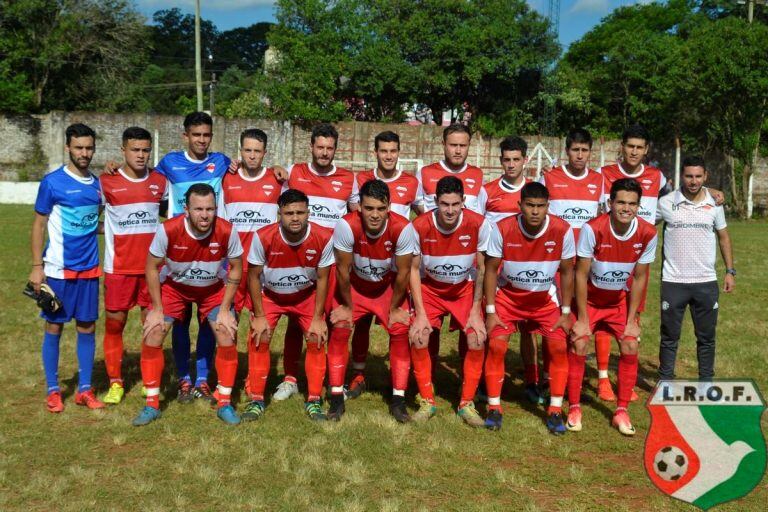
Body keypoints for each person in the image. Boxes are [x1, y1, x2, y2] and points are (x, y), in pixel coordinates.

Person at [133, 183, 243, 426]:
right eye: (198, 209)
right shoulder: (168, 229)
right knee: (154, 332)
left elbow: (236, 268)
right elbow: (151, 267)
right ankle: (151, 404)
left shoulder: (227, 230)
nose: (205, 215)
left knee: (226, 333)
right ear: (186, 209)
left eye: (210, 209)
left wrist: (225, 310)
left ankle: (224, 402)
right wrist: (157, 309)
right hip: (175, 288)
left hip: (213, 289)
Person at [483, 182, 575, 433]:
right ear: (519, 205)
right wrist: (490, 312)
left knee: (557, 346)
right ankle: (494, 407)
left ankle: (555, 410)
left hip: (545, 301)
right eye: (530, 205)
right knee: (496, 344)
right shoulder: (502, 228)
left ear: (548, 207)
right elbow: (490, 270)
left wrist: (566, 312)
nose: (535, 211)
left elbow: (567, 273)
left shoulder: (562, 230)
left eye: (540, 206)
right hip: (508, 298)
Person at [276, 123, 359, 401]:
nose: (324, 153)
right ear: (311, 146)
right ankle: (289, 378)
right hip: (299, 259)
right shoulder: (295, 172)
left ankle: (333, 380)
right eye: (320, 147)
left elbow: (356, 215)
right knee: (294, 321)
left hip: (333, 262)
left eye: (330, 148)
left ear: (335, 149)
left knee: (335, 323)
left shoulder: (348, 178)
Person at [568, 178, 657, 436]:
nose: (626, 208)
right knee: (581, 342)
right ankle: (574, 407)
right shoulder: (592, 228)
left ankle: (621, 411)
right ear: (610, 203)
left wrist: (632, 318)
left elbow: (640, 277)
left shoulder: (648, 232)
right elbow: (580, 275)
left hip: (618, 302)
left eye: (632, 203)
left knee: (630, 342)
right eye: (621, 202)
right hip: (590, 302)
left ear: (639, 206)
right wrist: (583, 318)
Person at [154, 112, 232, 404]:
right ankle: (184, 379)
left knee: (210, 321)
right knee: (181, 320)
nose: (201, 139)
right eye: (196, 134)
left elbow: (251, 168)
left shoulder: (223, 162)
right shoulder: (169, 163)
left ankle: (202, 378)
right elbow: (146, 180)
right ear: (185, 135)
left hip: (212, 252)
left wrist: (276, 169)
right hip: (179, 254)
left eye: (206, 134)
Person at [327, 179, 417, 422]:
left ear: (389, 207)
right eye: (368, 208)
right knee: (340, 327)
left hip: (386, 289)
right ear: (359, 207)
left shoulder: (403, 227)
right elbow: (343, 271)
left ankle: (398, 400)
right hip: (354, 287)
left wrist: (396, 307)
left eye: (380, 208)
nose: (374, 215)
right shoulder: (347, 225)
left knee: (400, 328)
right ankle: (336, 398)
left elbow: (404, 273)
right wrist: (346, 306)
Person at [29, 123, 104, 412]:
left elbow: (91, 224)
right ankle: (53, 389)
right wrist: (38, 266)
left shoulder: (97, 185)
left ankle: (84, 389)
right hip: (58, 270)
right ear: (68, 148)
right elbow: (38, 225)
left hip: (89, 270)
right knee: (55, 326)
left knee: (87, 326)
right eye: (79, 147)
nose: (84, 153)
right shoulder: (52, 182)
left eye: (89, 147)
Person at [409, 176, 491, 426]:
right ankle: (427, 400)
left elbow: (483, 268)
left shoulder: (479, 224)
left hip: (463, 290)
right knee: (420, 335)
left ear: (464, 202)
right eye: (445, 204)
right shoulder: (420, 225)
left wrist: (476, 310)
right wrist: (421, 313)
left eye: (456, 204)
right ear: (435, 201)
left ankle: (466, 403)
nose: (450, 210)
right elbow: (413, 269)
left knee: (477, 337)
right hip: (430, 289)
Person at [245, 189, 333, 421]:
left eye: (300, 212)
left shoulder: (323, 237)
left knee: (316, 337)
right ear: (279, 215)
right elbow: (253, 276)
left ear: (308, 213)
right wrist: (259, 314)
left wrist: (318, 317)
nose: (295, 218)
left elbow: (323, 278)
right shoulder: (262, 236)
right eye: (289, 213)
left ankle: (314, 400)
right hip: (272, 296)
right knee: (259, 335)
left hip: (305, 296)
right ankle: (256, 399)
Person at [345, 130, 419, 399]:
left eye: (393, 151)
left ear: (399, 153)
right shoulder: (361, 179)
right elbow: (353, 213)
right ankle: (358, 373)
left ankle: (399, 379)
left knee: (398, 321)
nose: (389, 156)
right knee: (361, 322)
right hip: (366, 260)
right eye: (383, 151)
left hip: (396, 264)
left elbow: (423, 214)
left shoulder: (412, 181)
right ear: (375, 152)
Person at [595, 124, 666, 402]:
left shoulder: (656, 177)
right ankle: (602, 378)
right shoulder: (605, 175)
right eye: (630, 146)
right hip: (608, 253)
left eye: (639, 147)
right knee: (602, 316)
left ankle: (625, 378)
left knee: (631, 315)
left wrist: (711, 191)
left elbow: (677, 194)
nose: (634, 151)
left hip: (638, 257)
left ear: (646, 150)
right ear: (621, 147)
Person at [99, 127, 167, 404]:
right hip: (118, 269)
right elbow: (91, 217)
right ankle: (115, 382)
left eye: (145, 150)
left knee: (151, 326)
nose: (141, 155)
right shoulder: (106, 182)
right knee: (115, 324)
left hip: (152, 270)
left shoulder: (161, 182)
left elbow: (166, 214)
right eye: (135, 150)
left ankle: (149, 381)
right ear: (123, 150)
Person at [656, 156, 734, 381]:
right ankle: (665, 382)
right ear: (682, 176)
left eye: (698, 176)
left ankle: (706, 382)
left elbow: (724, 238)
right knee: (669, 336)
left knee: (707, 337)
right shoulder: (666, 202)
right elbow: (643, 223)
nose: (693, 181)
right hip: (673, 282)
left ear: (705, 177)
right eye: (689, 176)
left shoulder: (714, 203)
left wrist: (730, 271)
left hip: (706, 282)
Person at [414, 123, 486, 215]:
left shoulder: (477, 174)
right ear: (443, 144)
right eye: (453, 145)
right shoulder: (425, 173)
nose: (458, 151)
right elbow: (416, 204)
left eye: (463, 145)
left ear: (469, 145)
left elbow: (481, 211)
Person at [482, 136, 531, 223]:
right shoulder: (486, 191)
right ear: (501, 160)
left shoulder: (533, 189)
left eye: (516, 159)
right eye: (507, 160)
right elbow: (477, 224)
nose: (511, 165)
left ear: (525, 160)